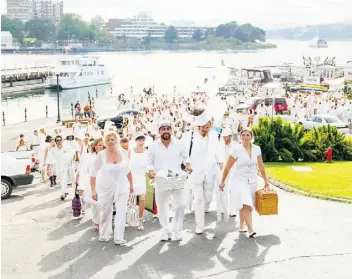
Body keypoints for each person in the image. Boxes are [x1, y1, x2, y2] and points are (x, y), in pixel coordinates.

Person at [219, 127, 270, 238]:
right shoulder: (236, 151)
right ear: (240, 137)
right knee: (247, 203)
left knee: (245, 204)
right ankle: (251, 229)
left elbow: (261, 165)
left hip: (252, 181)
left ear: (251, 137)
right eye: (243, 135)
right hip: (239, 181)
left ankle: (242, 226)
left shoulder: (257, 149)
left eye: (248, 135)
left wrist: (266, 180)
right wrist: (222, 181)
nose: (245, 137)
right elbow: (227, 167)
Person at [147, 120, 192, 241]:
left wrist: (188, 165)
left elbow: (186, 157)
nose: (166, 131)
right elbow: (149, 162)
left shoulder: (179, 144)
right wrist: (151, 171)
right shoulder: (153, 146)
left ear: (171, 130)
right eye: (163, 129)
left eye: (168, 128)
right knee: (162, 207)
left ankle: (177, 229)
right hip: (161, 179)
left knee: (181, 205)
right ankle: (166, 230)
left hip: (177, 178)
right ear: (159, 131)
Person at [90, 132, 134, 245]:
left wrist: (131, 185)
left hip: (122, 186)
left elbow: (128, 171)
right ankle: (104, 234)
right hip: (105, 188)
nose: (110, 141)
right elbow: (93, 173)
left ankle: (119, 237)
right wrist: (93, 190)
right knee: (105, 212)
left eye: (112, 139)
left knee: (121, 211)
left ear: (116, 140)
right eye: (108, 140)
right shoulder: (101, 155)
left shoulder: (124, 153)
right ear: (105, 142)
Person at [185, 110, 223, 235]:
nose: (207, 129)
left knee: (207, 196)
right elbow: (186, 154)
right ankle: (199, 225)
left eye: (209, 126)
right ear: (199, 126)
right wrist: (188, 163)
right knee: (198, 199)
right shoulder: (191, 137)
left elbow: (217, 150)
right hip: (196, 172)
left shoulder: (213, 136)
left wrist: (220, 161)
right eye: (205, 127)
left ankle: (206, 206)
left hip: (210, 171)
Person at [80, 138, 104, 230]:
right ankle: (96, 222)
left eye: (101, 145)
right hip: (92, 183)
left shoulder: (107, 155)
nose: (98, 147)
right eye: (97, 145)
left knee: (104, 203)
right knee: (95, 204)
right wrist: (82, 187)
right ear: (94, 146)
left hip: (105, 183)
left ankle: (104, 221)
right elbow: (83, 171)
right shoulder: (88, 156)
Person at [130, 134, 148, 231]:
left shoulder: (147, 152)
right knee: (129, 199)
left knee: (142, 198)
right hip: (131, 177)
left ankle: (140, 220)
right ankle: (127, 218)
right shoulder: (131, 151)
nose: (141, 142)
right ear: (136, 141)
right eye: (139, 140)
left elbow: (148, 165)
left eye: (143, 140)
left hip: (141, 177)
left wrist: (150, 172)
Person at [51, 135, 75, 200]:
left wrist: (72, 159)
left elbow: (72, 153)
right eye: (57, 140)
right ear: (55, 142)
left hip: (69, 165)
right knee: (63, 180)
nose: (59, 141)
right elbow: (52, 159)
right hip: (60, 167)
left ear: (62, 140)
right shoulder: (53, 150)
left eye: (60, 140)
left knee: (73, 179)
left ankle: (75, 192)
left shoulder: (67, 147)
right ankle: (64, 193)